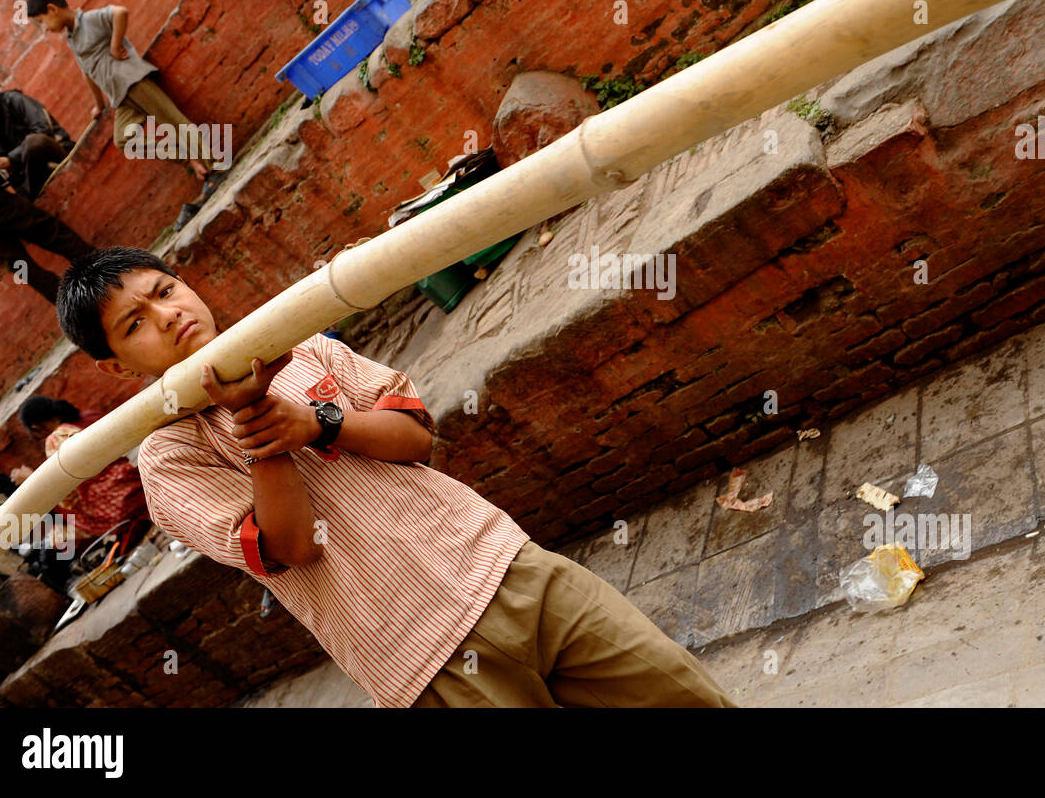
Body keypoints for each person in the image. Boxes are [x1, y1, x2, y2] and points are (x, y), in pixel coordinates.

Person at [55, 247, 737, 708]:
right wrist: (260, 427)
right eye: (136, 323)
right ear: (115, 365)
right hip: (422, 656)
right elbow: (291, 546)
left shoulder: (302, 346)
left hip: (506, 568)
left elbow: (415, 434)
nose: (169, 314)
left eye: (165, 291)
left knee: (682, 694)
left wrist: (318, 423)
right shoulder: (167, 457)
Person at [25, 0, 222, 229]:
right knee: (124, 140)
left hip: (133, 79)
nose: (44, 29)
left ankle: (214, 167)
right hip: (119, 97)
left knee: (174, 121)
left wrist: (115, 45)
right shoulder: (72, 37)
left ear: (52, 9)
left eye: (42, 21)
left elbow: (120, 12)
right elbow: (87, 73)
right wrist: (98, 106)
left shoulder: (88, 20)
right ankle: (189, 158)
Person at [16, 395, 150, 552]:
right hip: (141, 469)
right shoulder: (88, 415)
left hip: (124, 491)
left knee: (61, 507)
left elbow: (61, 489)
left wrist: (30, 480)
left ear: (36, 429)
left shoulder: (55, 439)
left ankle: (124, 523)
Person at [0, 138, 97, 303]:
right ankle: (103, 272)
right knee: (53, 233)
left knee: (21, 266)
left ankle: (71, 305)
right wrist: (6, 187)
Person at [0, 79, 73, 200]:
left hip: (55, 152)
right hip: (28, 175)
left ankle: (28, 197)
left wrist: (11, 159)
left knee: (34, 143)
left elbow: (43, 129)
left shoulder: (13, 100)